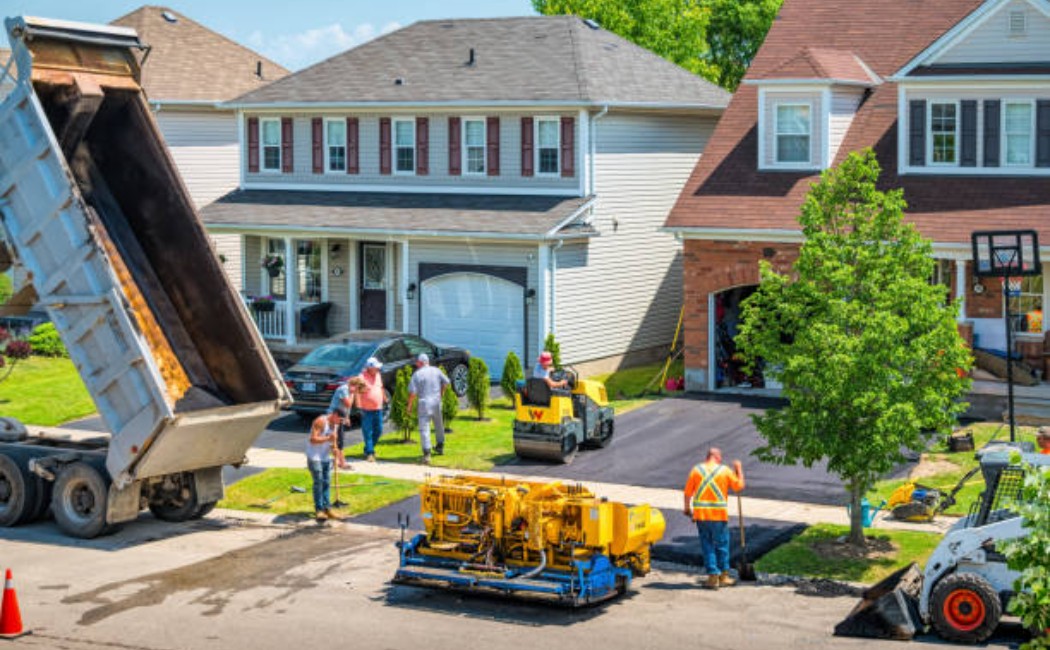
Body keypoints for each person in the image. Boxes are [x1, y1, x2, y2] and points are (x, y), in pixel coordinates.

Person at [683, 447, 745, 589]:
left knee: (707, 545)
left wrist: (687, 509)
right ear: (718, 457)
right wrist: (739, 469)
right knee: (722, 545)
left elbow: (687, 493)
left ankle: (712, 577)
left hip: (702, 516)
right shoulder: (725, 471)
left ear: (707, 457)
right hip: (719, 516)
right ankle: (723, 576)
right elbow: (739, 487)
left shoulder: (696, 470)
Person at [406, 353, 451, 465]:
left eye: (417, 362)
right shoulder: (436, 370)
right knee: (438, 424)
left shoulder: (417, 374)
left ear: (421, 362)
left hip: (424, 402)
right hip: (436, 401)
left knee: (424, 427)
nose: (416, 364)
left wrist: (409, 406)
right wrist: (441, 393)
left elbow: (412, 393)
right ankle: (440, 446)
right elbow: (446, 382)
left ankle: (427, 454)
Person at [306, 411, 341, 520]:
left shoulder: (335, 425)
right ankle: (319, 510)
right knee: (319, 482)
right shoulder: (320, 421)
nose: (339, 422)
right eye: (339, 419)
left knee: (326, 483)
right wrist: (328, 438)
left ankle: (327, 508)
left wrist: (334, 450)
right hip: (314, 457)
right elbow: (313, 439)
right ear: (334, 415)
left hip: (325, 457)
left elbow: (332, 443)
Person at [352, 357, 387, 462]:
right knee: (367, 432)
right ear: (369, 368)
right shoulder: (361, 377)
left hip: (378, 408)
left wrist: (385, 398)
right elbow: (357, 393)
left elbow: (380, 388)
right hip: (366, 410)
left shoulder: (378, 375)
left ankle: (367, 449)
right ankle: (370, 453)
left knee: (379, 430)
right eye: (376, 367)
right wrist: (358, 407)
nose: (378, 369)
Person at [327, 380, 353, 469]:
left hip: (340, 417)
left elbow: (347, 408)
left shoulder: (349, 390)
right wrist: (353, 394)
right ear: (354, 385)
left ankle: (339, 462)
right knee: (337, 441)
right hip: (334, 418)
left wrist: (347, 417)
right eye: (358, 389)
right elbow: (348, 404)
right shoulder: (343, 389)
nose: (358, 392)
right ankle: (341, 463)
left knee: (339, 441)